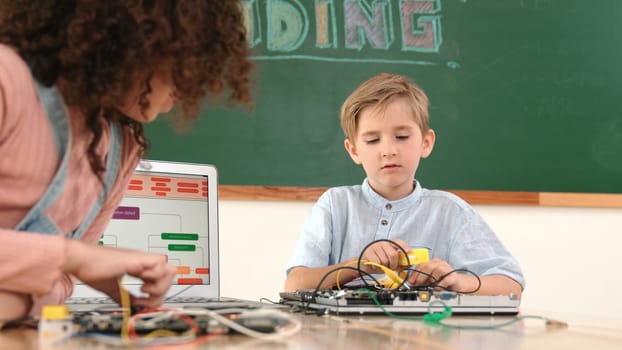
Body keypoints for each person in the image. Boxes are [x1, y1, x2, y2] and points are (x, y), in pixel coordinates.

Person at [0, 0, 253, 325]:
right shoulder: (8, 80)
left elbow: (61, 285)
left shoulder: (121, 151)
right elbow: (64, 272)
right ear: (132, 36)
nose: (189, 79)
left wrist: (26, 293)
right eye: (179, 54)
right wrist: (75, 258)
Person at [284, 73, 524, 297]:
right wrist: (357, 265)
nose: (388, 150)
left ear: (426, 143)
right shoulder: (335, 205)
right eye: (372, 140)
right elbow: (295, 284)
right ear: (354, 150)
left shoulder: (450, 211)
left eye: (402, 137)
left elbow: (511, 285)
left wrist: (459, 282)